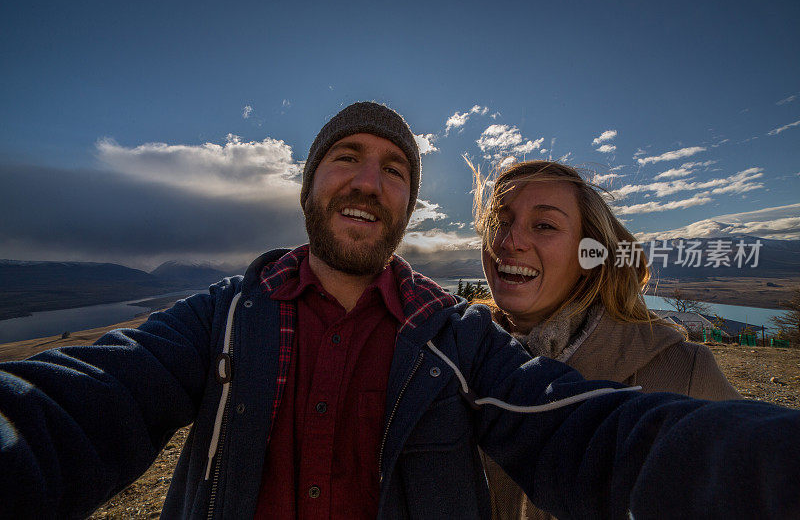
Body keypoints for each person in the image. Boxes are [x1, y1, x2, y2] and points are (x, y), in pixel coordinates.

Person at [1, 102, 799, 520]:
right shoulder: (225, 317)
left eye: (394, 169)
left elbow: (588, 430)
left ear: (409, 206)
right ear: (308, 184)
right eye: (345, 157)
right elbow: (76, 403)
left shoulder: (454, 337)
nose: (368, 179)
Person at [469, 160, 742, 519]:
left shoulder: (683, 373)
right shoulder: (457, 352)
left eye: (544, 225)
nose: (509, 241)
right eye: (501, 222)